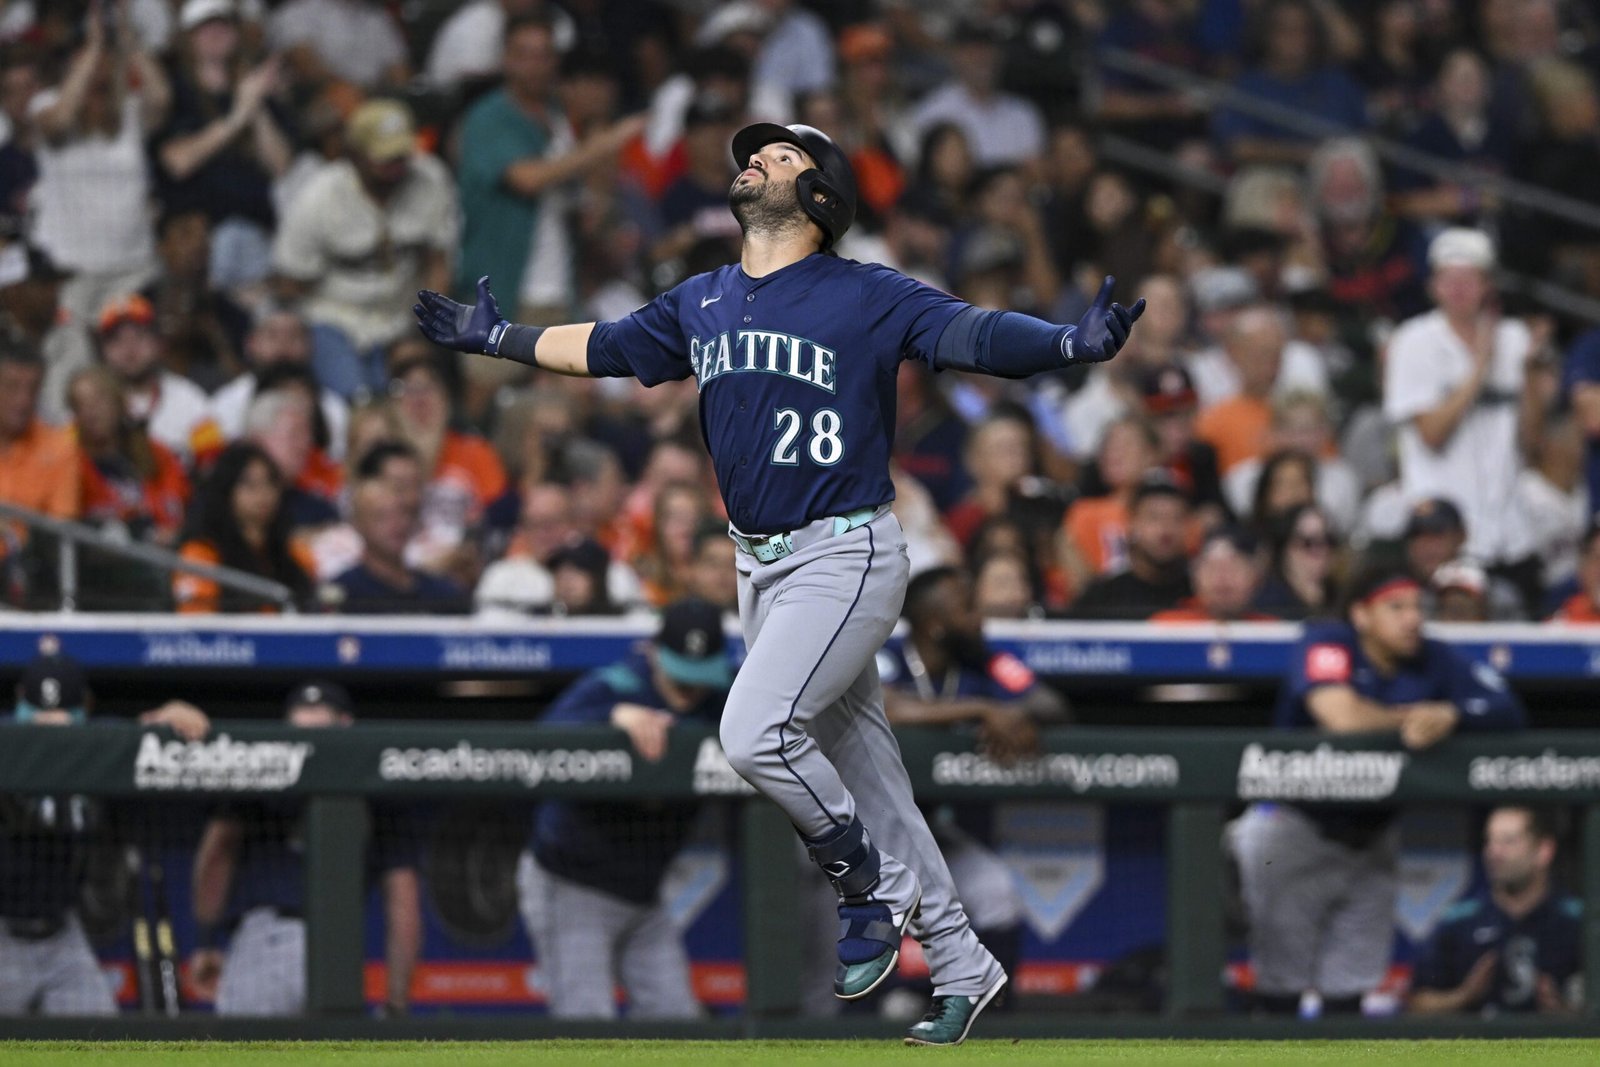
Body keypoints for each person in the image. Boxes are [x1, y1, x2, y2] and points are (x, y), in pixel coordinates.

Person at [415, 120, 1145, 1045]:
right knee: (876, 784)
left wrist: (1068, 344)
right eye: (756, 153)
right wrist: (500, 337)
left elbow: (971, 332)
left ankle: (867, 885)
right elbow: (603, 346)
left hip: (844, 550)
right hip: (758, 565)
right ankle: (964, 964)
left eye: (783, 154)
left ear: (821, 195)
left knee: (753, 733)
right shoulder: (704, 297)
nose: (755, 158)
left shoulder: (864, 290)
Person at [1233, 563, 1526, 1017]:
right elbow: (1342, 718)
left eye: (1417, 607)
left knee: (1349, 996)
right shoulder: (1328, 641)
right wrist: (1414, 718)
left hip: (1373, 838)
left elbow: (1508, 710)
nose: (1412, 619)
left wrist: (1453, 715)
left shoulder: (1432, 656)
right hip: (1294, 830)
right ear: (1361, 614)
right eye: (1396, 607)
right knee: (1280, 992)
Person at [521, 597, 733, 1019]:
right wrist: (612, 715)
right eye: (681, 676)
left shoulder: (722, 697)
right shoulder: (616, 684)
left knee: (677, 1023)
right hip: (573, 884)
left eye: (699, 677)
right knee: (587, 1026)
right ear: (652, 652)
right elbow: (541, 742)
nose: (690, 690)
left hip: (644, 898)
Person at [879, 567, 1070, 1005]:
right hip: (861, 833)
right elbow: (886, 706)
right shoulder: (887, 654)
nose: (979, 619)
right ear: (935, 625)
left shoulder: (983, 661)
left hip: (927, 832)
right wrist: (983, 710)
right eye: (966, 609)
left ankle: (990, 1016)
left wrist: (1016, 716)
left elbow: (1051, 704)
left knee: (996, 891)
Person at [189, 680, 421, 1016]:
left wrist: (206, 941)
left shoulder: (261, 771)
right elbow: (404, 903)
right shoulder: (380, 789)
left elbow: (217, 853)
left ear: (345, 724)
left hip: (269, 943)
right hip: (339, 955)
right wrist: (396, 1003)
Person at [0, 651, 209, 1017]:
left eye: (61, 720)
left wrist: (172, 716)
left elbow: (151, 733)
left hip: (62, 932)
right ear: (19, 699)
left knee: (96, 1040)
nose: (50, 729)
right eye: (40, 719)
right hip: (5, 931)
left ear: (85, 706)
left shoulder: (97, 744)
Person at [1383, 228, 1539, 599]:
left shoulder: (1515, 337)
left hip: (1510, 531)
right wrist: (1480, 366)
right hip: (1441, 534)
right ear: (1433, 286)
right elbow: (1432, 434)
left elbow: (1533, 443)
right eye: (1448, 279)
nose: (1458, 289)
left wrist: (1532, 376)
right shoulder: (1412, 340)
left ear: (1488, 285)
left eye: (1469, 279)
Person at [272, 99, 457, 399]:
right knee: (358, 399)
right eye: (385, 158)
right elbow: (289, 283)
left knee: (408, 398)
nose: (397, 166)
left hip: (401, 319)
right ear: (355, 155)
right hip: (334, 317)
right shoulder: (320, 196)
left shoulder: (430, 179)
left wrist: (426, 329)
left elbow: (438, 263)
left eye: (402, 155)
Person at [1409, 807, 1582, 1015]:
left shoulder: (1578, 921)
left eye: (1509, 841)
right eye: (1490, 841)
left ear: (1544, 851)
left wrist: (1565, 1013)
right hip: (1476, 1035)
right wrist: (1463, 996)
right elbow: (1416, 1003)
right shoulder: (1459, 920)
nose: (1494, 852)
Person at [174, 441, 314, 613]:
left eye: (270, 482)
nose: (263, 493)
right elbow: (196, 620)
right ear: (227, 490)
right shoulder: (201, 554)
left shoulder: (294, 553)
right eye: (249, 484)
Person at [330, 478, 470, 614]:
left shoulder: (443, 594)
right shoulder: (341, 594)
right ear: (358, 524)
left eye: (403, 513)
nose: (396, 524)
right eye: (381, 516)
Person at [1066, 476, 1193, 619]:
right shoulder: (1101, 597)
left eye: (1176, 518)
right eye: (1154, 518)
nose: (1165, 529)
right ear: (1132, 524)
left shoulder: (1201, 594)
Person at [1151, 526, 1276, 622]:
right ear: (1194, 576)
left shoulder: (1273, 632)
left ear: (1256, 576)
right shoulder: (1166, 627)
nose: (1222, 578)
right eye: (1212, 568)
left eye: (1233, 568)